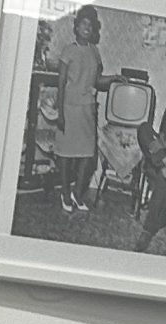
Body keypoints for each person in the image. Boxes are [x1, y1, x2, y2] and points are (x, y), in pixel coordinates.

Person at [53, 8, 105, 218]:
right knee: (66, 154)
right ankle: (65, 194)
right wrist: (60, 113)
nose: (87, 28)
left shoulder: (95, 52)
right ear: (76, 27)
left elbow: (97, 81)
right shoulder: (68, 50)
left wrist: (114, 79)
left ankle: (76, 193)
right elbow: (61, 83)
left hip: (87, 109)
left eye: (90, 25)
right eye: (83, 23)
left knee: (87, 155)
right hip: (69, 108)